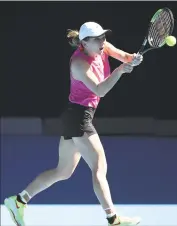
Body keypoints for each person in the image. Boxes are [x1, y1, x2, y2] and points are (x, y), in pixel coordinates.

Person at [4, 21, 143, 226]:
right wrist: (120, 71)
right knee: (98, 167)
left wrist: (134, 59)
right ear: (85, 43)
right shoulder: (79, 64)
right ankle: (113, 219)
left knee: (63, 171)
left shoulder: (103, 47)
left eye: (103, 36)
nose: (103, 41)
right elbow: (100, 90)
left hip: (74, 116)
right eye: (98, 38)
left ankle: (18, 201)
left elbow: (125, 57)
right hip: (79, 117)